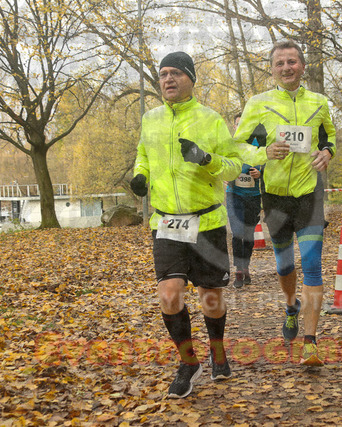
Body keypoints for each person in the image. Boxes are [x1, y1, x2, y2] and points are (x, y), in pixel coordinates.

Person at [130, 51, 241, 398]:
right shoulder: (151, 119)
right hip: (166, 221)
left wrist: (206, 159)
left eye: (176, 73)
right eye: (163, 73)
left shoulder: (211, 119)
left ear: (191, 79)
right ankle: (188, 362)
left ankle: (218, 352)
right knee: (168, 294)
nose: (168, 79)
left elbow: (234, 166)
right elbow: (143, 154)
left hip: (206, 220)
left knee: (211, 297)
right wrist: (140, 175)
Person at [234, 40, 336, 366]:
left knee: (313, 265)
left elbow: (329, 137)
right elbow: (236, 146)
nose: (286, 68)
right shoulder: (258, 103)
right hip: (275, 197)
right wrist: (263, 152)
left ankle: (310, 343)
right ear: (272, 69)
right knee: (284, 266)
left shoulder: (319, 102)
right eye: (280, 63)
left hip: (309, 194)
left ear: (302, 66)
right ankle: (291, 306)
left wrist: (327, 153)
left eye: (292, 61)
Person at [226, 113, 264, 288]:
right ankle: (238, 270)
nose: (240, 127)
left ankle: (246, 266)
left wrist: (259, 173)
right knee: (237, 233)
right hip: (234, 194)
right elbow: (221, 165)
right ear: (234, 126)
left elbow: (267, 165)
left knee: (248, 234)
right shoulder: (229, 144)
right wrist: (225, 176)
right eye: (238, 124)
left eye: (244, 124)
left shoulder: (258, 144)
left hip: (253, 196)